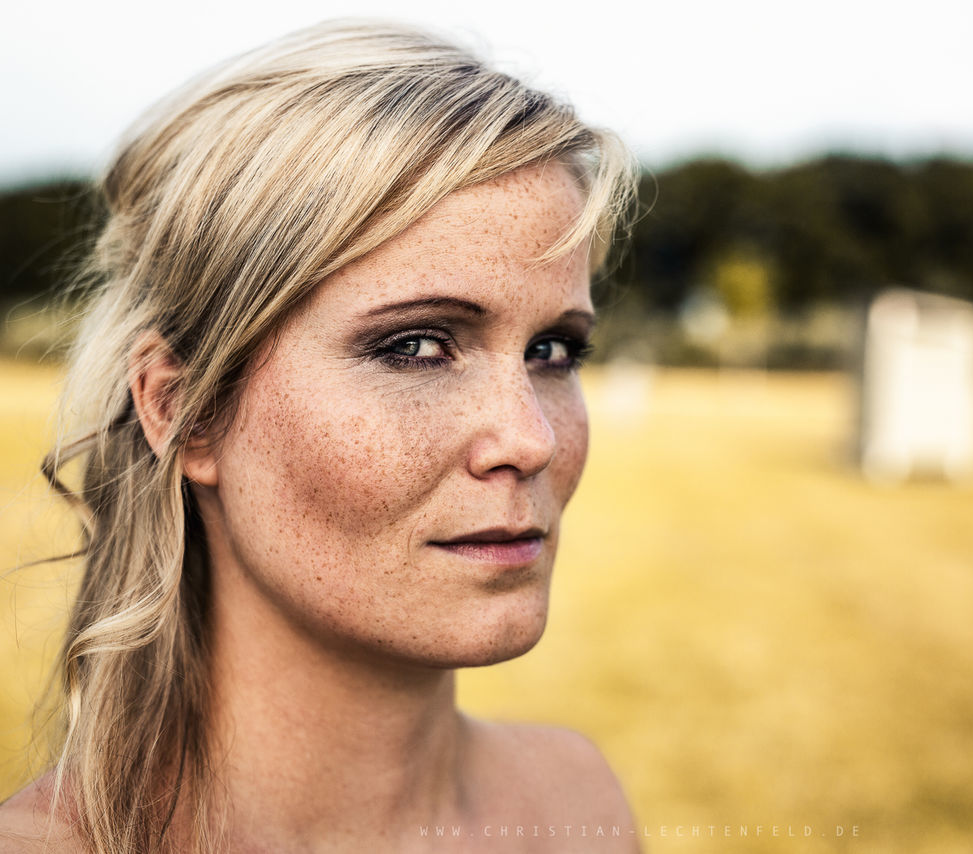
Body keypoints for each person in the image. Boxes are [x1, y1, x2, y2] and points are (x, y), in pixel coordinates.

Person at [0, 19, 638, 853]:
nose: (528, 440)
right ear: (182, 411)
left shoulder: (575, 808)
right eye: (414, 347)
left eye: (554, 350)